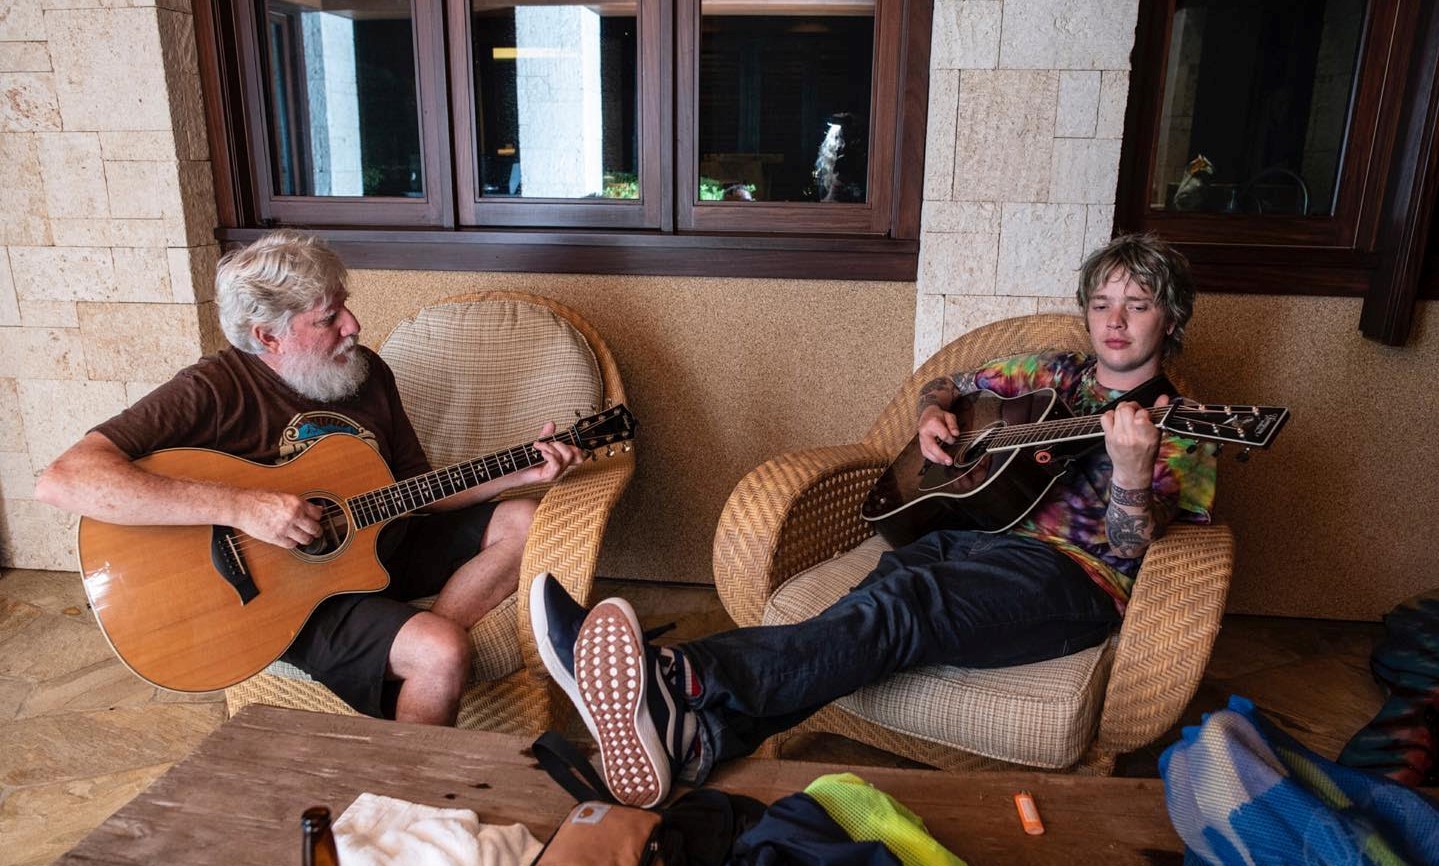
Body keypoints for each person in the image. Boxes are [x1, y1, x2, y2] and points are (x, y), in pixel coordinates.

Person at [529, 232, 1217, 807]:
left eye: (1137, 304)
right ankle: (696, 742)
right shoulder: (1052, 372)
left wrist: (1129, 474)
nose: (1114, 321)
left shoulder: (1184, 426)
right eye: (1101, 304)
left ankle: (678, 676)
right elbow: (950, 385)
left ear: (1170, 319)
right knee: (873, 602)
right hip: (972, 535)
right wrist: (930, 417)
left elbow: (1140, 547)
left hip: (1071, 579)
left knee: (904, 605)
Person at [34, 230, 583, 726]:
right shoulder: (213, 389)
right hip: (286, 593)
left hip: (380, 545)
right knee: (441, 653)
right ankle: (410, 783)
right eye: (327, 318)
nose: (352, 325)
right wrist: (243, 509)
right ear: (267, 337)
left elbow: (418, 486)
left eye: (344, 306)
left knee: (523, 518)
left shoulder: (365, 372)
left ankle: (405, 650)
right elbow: (63, 479)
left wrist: (519, 472)